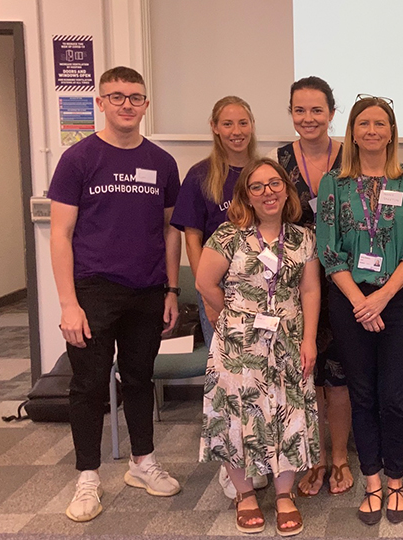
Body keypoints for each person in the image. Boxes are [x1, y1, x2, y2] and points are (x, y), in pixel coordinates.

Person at [49, 66, 182, 523]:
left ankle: (142, 462)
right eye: (117, 96)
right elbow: (61, 235)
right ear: (100, 103)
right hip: (93, 290)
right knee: (87, 385)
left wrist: (171, 289)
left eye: (135, 97)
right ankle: (88, 475)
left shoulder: (163, 162)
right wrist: (68, 302)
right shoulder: (78, 159)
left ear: (146, 105)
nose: (127, 104)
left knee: (140, 378)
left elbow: (169, 230)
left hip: (147, 289)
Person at [315, 95, 403, 525]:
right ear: (352, 131)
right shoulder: (335, 183)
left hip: (398, 298)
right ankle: (372, 481)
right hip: (350, 299)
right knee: (361, 393)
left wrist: (381, 298)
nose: (371, 130)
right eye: (363, 123)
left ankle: (397, 481)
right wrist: (361, 300)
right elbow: (328, 251)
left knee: (395, 395)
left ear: (391, 131)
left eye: (380, 123)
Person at [196, 157, 320, 536]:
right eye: (258, 187)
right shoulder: (227, 235)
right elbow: (205, 283)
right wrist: (228, 320)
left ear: (286, 189)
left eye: (275, 184)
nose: (268, 192)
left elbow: (310, 289)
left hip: (288, 341)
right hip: (238, 343)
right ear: (246, 196)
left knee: (287, 413)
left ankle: (284, 495)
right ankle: (245, 494)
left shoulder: (302, 238)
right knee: (236, 415)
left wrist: (310, 339)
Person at [169, 96, 268, 497]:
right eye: (227, 124)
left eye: (243, 122)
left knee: (259, 382)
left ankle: (259, 455)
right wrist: (207, 295)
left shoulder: (263, 172)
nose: (236, 131)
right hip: (220, 296)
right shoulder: (200, 176)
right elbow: (192, 237)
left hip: (261, 298)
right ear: (214, 127)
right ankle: (232, 465)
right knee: (228, 384)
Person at [267, 76, 353, 497]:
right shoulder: (279, 160)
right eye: (300, 110)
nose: (308, 118)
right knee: (306, 374)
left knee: (339, 375)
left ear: (332, 114)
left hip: (347, 279)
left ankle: (339, 457)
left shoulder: (352, 155)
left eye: (317, 110)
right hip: (297, 281)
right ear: (291, 113)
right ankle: (313, 457)